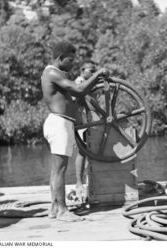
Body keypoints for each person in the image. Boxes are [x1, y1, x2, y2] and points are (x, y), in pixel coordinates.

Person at [41, 41, 108, 221]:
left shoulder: (58, 73)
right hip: (59, 123)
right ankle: (62, 210)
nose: (73, 63)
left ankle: (54, 208)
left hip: (63, 123)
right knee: (60, 170)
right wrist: (98, 74)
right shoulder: (52, 72)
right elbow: (79, 89)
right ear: (60, 58)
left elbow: (76, 96)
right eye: (70, 60)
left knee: (56, 169)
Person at [73, 61, 97, 203]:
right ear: (82, 70)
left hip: (89, 121)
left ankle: (89, 181)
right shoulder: (79, 82)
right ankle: (79, 183)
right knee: (82, 152)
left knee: (89, 151)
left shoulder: (88, 82)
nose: (93, 73)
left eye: (95, 70)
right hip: (81, 120)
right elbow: (78, 99)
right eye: (91, 70)